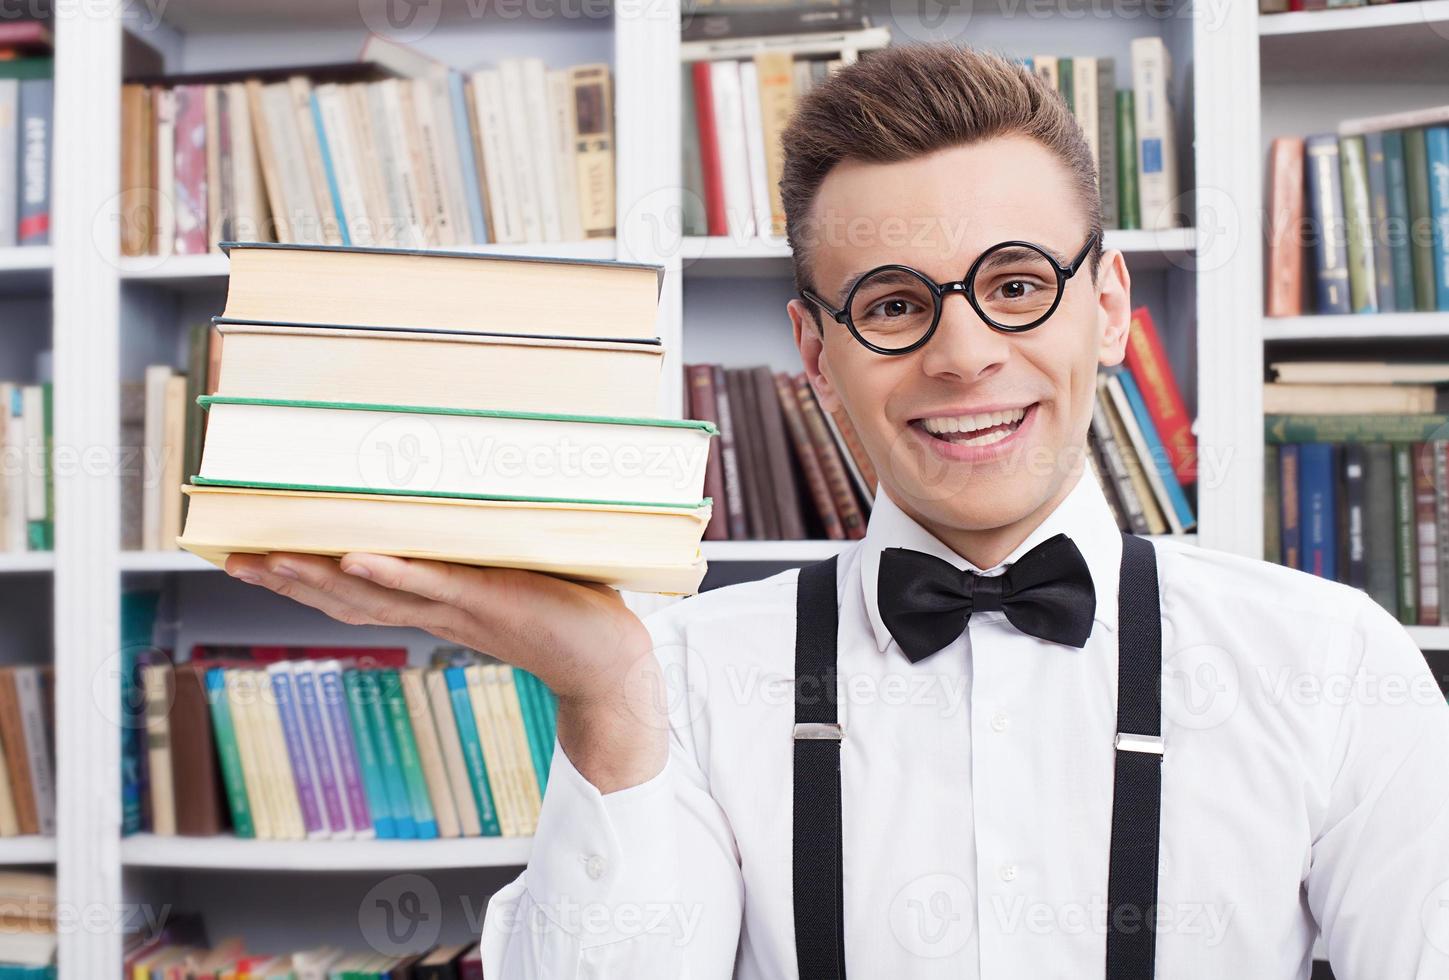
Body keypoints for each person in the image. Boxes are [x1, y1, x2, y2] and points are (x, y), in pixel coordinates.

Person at [224, 43, 1449, 979]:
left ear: (1110, 305)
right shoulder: (683, 678)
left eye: (1018, 285)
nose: (965, 354)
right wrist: (604, 694)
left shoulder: (1333, 664)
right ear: (815, 348)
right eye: (895, 303)